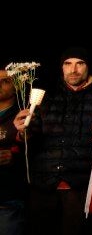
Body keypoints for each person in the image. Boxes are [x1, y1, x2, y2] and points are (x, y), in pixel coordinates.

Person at [13, 47, 92, 235]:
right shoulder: (45, 96)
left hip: (80, 187)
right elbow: (29, 138)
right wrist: (21, 131)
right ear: (61, 67)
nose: (73, 69)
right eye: (68, 64)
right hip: (43, 185)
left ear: (88, 67)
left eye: (80, 63)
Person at [0, 69, 27, 235]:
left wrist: (14, 157)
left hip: (7, 199)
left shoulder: (23, 114)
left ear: (16, 86)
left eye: (5, 81)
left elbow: (34, 149)